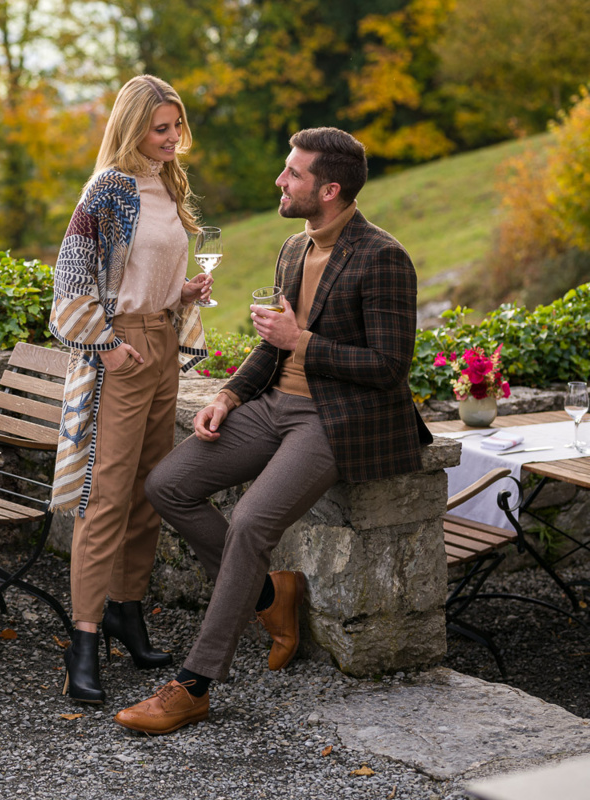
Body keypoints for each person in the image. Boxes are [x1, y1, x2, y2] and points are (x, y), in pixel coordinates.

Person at [114, 126, 432, 733]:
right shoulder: (294, 248)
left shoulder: (382, 256)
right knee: (167, 485)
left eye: (293, 173)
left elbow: (391, 367)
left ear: (330, 188)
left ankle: (194, 684)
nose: (280, 181)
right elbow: (273, 346)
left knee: (252, 523)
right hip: (270, 408)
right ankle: (268, 596)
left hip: (334, 420)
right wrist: (230, 395)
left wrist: (303, 343)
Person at [50, 74, 213, 704]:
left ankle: (128, 612)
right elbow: (70, 286)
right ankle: (83, 642)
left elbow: (150, 275)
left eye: (176, 126)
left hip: (162, 342)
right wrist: (108, 346)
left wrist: (184, 292)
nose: (173, 138)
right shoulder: (108, 190)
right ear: (132, 128)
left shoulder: (168, 185)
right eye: (160, 128)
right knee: (107, 497)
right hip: (121, 351)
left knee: (150, 491)